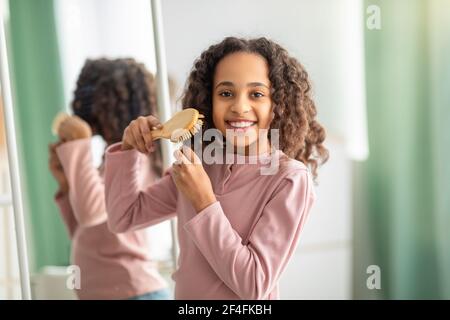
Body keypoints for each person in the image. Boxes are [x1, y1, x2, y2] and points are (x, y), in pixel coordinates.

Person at [103, 37, 329, 299]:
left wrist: (204, 201)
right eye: (225, 93)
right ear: (208, 102)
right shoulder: (201, 164)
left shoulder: (289, 179)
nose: (239, 107)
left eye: (256, 94)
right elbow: (123, 218)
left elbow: (254, 285)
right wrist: (129, 150)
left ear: (278, 105)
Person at [48, 58, 170, 299]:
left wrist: (80, 146)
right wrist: (65, 183)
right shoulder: (110, 161)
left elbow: (92, 212)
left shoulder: (136, 157)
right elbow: (85, 231)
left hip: (133, 291)